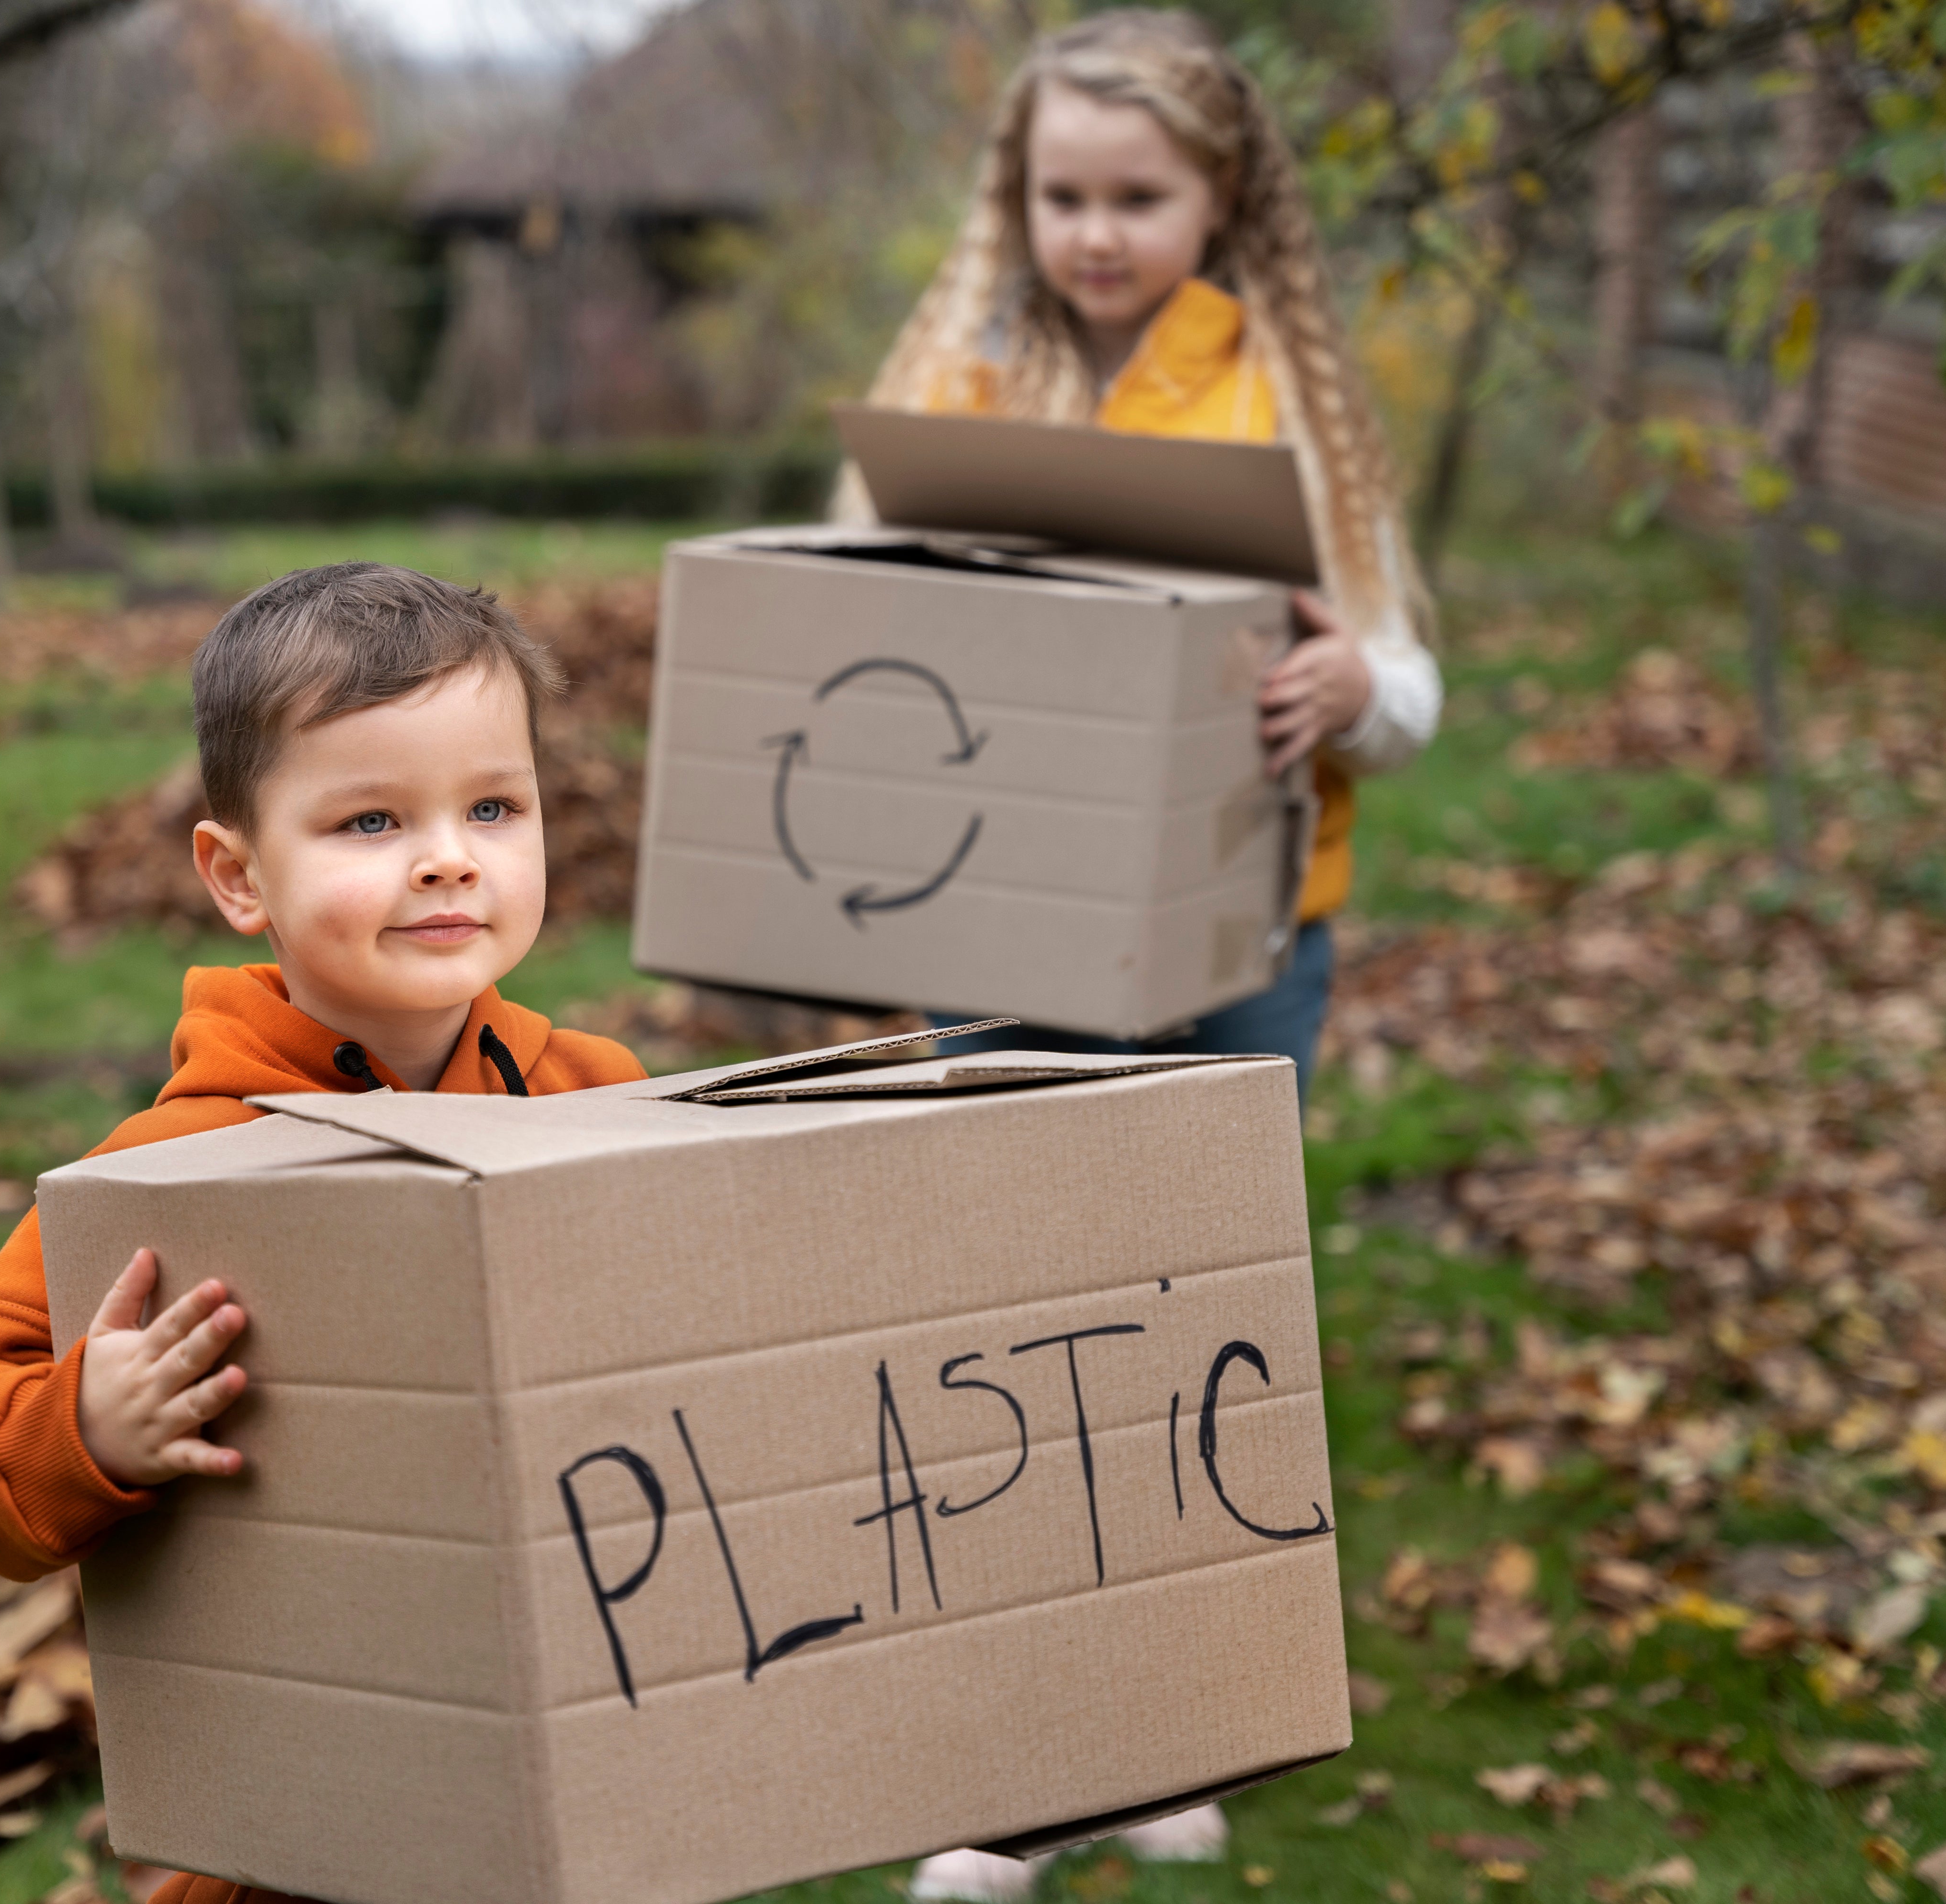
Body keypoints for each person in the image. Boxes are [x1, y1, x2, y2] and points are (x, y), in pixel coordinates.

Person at [850, 12, 1440, 1897]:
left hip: (1246, 939)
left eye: (1137, 196)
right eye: (1064, 196)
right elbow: (855, 626)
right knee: (1008, 1330)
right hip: (1004, 932)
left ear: (1221, 199)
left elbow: (1406, 680)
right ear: (1016, 202)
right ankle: (1015, 1765)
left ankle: (1168, 1730)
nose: (1095, 235)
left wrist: (1355, 686)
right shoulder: (967, 379)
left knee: (1192, 1325)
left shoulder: (1284, 401)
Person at [0, 563, 646, 1904]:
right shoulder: (178, 1170)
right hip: (313, 1826)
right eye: (371, 820)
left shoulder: (601, 1100)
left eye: (493, 807)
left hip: (581, 1766)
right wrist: (86, 1426)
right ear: (240, 876)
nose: (449, 856)